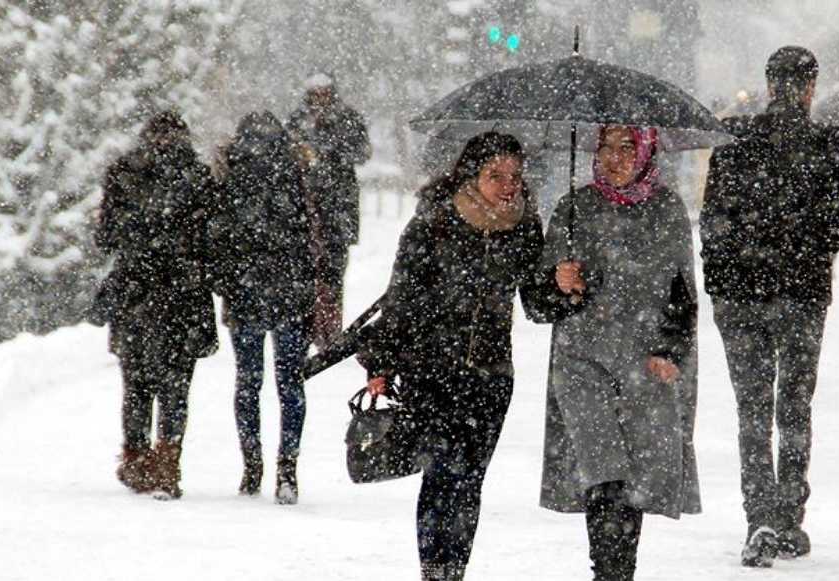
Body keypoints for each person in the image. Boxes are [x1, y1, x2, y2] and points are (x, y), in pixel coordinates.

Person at [357, 133, 552, 581]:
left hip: (492, 376)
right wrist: (382, 363)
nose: (508, 185)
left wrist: (562, 283)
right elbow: (402, 300)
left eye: (515, 177)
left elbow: (538, 305)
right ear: (471, 174)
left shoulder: (523, 228)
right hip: (433, 372)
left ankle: (453, 572)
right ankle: (435, 573)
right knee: (441, 475)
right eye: (495, 175)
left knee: (470, 483)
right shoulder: (434, 225)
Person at [700, 45, 839, 567]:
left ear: (770, 83)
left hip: (741, 293)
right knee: (794, 405)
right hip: (802, 293)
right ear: (811, 87)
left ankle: (760, 517)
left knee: (751, 409)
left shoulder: (733, 140)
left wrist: (724, 278)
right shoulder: (829, 144)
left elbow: (713, 221)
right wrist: (805, 235)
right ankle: (791, 517)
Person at [535, 125, 700, 581]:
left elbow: (682, 295)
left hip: (644, 360)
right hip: (581, 359)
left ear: (647, 151)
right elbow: (537, 302)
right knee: (601, 468)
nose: (615, 158)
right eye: (605, 147)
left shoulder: (667, 210)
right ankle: (607, 571)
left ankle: (619, 569)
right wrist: (558, 283)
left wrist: (670, 350)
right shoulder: (573, 210)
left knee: (633, 474)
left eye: (627, 147)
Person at [95, 110, 219, 501]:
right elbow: (211, 239)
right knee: (176, 385)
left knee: (135, 384)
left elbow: (105, 236)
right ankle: (168, 461)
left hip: (135, 292)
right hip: (183, 293)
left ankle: (135, 457)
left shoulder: (124, 172)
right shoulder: (198, 177)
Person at [213, 111, 317, 504]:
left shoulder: (230, 175)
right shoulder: (295, 172)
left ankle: (252, 464)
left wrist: (227, 281)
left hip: (246, 293)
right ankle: (287, 468)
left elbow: (219, 237)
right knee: (290, 383)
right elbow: (310, 236)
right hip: (289, 290)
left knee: (248, 382)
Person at [287, 73, 371, 349]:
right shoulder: (298, 120)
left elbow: (362, 152)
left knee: (333, 275)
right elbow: (286, 154)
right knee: (306, 275)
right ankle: (308, 329)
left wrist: (332, 151)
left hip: (338, 208)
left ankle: (330, 332)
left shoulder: (347, 118)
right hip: (305, 209)